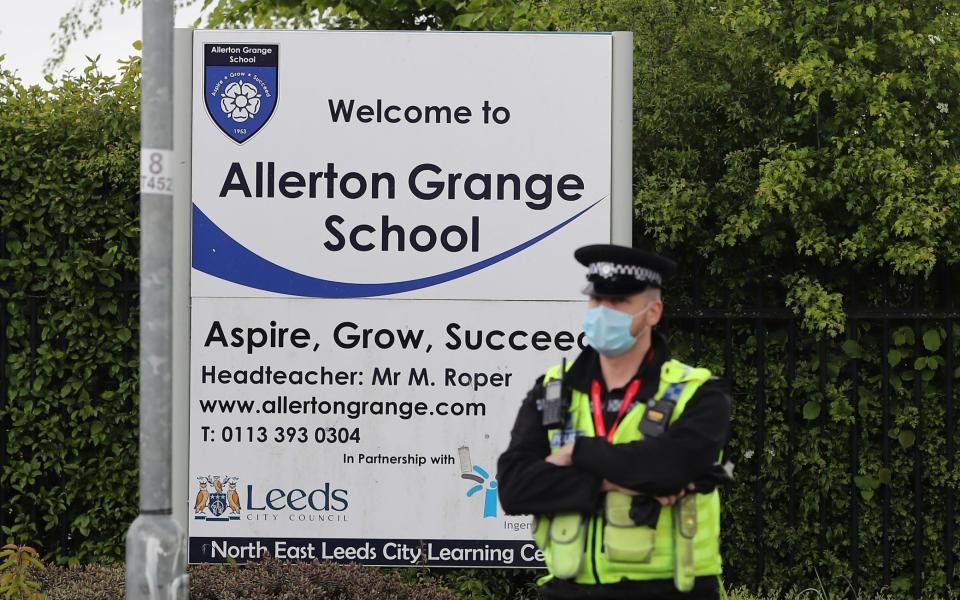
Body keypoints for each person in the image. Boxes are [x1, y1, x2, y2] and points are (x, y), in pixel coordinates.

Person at [497, 244, 732, 599]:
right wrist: (612, 481)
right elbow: (514, 488)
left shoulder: (697, 392)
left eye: (619, 302)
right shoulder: (553, 390)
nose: (603, 312)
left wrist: (576, 453)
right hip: (568, 590)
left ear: (653, 312)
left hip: (669, 592)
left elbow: (668, 470)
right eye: (596, 301)